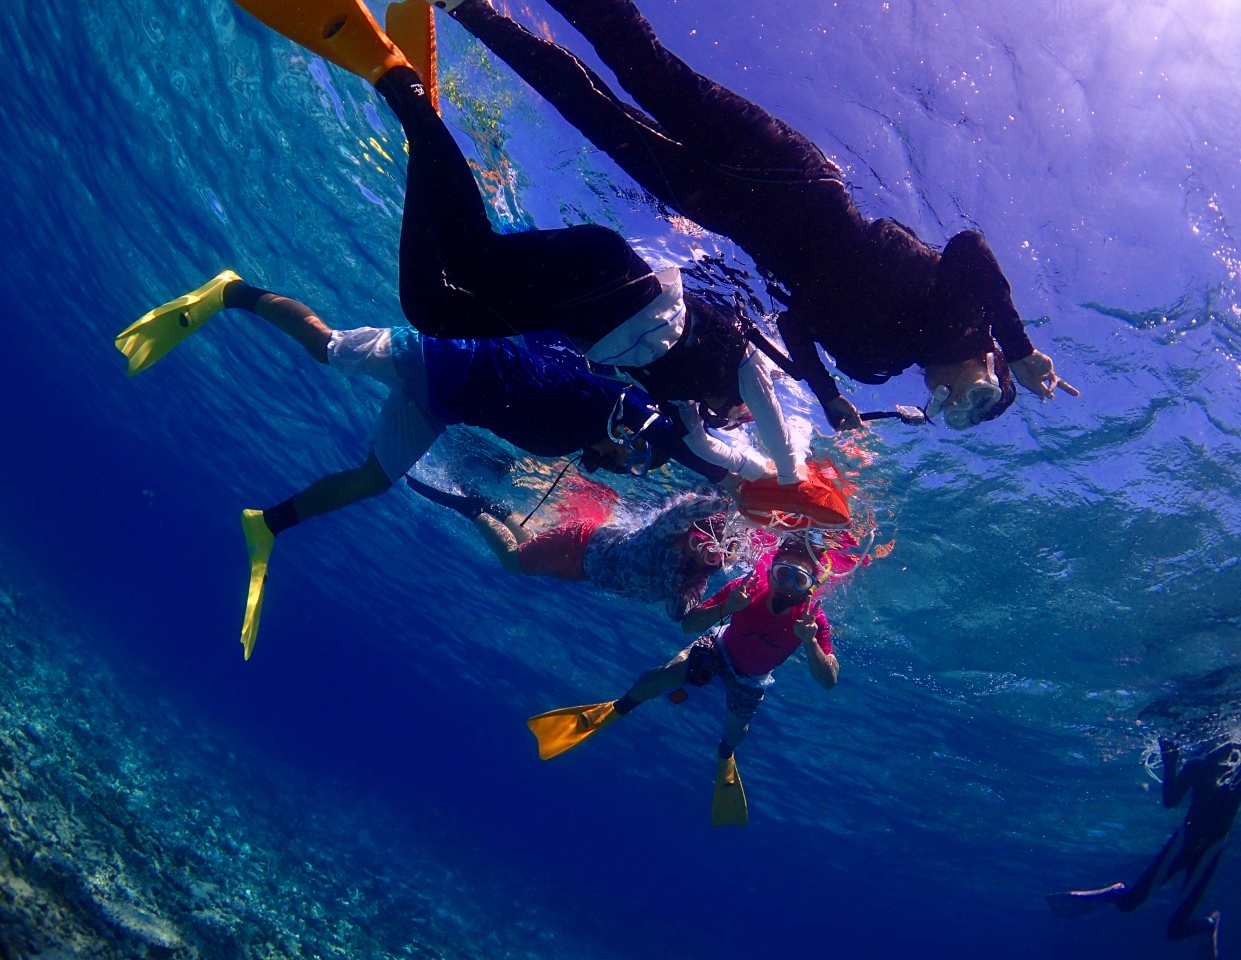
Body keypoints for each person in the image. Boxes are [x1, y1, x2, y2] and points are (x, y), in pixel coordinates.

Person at [224, 0, 851, 514]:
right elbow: (767, 421)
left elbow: (723, 457)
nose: (733, 417)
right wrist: (794, 479)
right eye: (738, 414)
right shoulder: (746, 369)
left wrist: (755, 490)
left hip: (584, 311)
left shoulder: (691, 414)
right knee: (465, 264)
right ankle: (400, 86)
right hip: (605, 281)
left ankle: (421, 118)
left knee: (432, 307)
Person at [437, 0, 1081, 431]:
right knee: (651, 72)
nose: (958, 405)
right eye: (981, 399)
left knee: (599, 118)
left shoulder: (878, 364)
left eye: (961, 419)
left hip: (737, 220)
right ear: (991, 368)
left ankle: (471, 12)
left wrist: (830, 398)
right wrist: (1021, 348)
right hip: (792, 180)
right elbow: (969, 245)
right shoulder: (967, 313)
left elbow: (796, 324)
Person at [116, 271, 704, 659]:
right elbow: (628, 400)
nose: (623, 468)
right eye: (633, 459)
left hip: (437, 404)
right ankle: (231, 291)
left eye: (633, 469)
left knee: (373, 481)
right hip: (431, 354)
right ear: (633, 430)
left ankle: (266, 524)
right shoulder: (600, 396)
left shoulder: (580, 421)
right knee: (326, 349)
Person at [524, 535, 839, 827]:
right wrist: (727, 608)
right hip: (721, 648)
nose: (787, 586)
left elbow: (829, 682)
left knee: (737, 727)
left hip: (752, 677)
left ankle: (726, 755)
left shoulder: (813, 621)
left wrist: (810, 643)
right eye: (783, 573)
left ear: (812, 586)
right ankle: (618, 708)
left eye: (799, 580)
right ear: (771, 569)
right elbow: (689, 625)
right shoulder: (748, 589)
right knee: (664, 675)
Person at [407, 478, 733, 621]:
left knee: (529, 540)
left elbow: (679, 613)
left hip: (584, 570)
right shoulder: (666, 535)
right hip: (582, 544)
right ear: (692, 534)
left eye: (716, 555)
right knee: (514, 561)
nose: (705, 556)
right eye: (701, 543)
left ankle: (497, 509)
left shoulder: (695, 581)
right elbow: (684, 510)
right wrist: (729, 505)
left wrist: (683, 578)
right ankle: (472, 509)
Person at [1046, 735, 1240, 958]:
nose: (1223, 750)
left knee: (1175, 930)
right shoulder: (1197, 767)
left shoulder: (1235, 777)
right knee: (1128, 904)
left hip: (1210, 851)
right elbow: (1171, 801)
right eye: (1221, 745)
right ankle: (1114, 893)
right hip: (1182, 843)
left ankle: (1207, 925)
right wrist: (1170, 762)